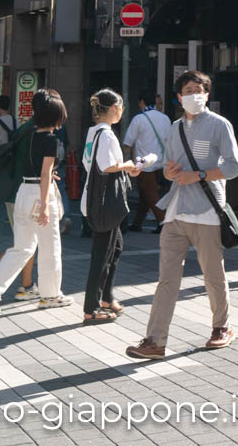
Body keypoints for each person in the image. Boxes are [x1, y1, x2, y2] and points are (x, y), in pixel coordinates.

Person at [125, 71, 238, 360]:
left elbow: (234, 166)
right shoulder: (174, 128)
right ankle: (155, 341)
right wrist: (170, 172)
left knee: (213, 275)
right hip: (176, 210)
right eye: (187, 91)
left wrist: (198, 174)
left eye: (198, 90)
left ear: (206, 94)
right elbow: (167, 166)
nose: (193, 95)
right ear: (178, 97)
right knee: (167, 279)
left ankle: (221, 327)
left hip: (207, 210)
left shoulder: (219, 125)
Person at [0, 90, 71, 314]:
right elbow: (45, 174)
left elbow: (34, 168)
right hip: (40, 194)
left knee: (22, 247)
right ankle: (51, 295)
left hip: (23, 192)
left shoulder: (27, 135)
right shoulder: (52, 140)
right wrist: (45, 205)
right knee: (50, 247)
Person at [79, 90, 145, 324]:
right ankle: (91, 307)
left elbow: (92, 163)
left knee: (115, 247)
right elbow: (108, 166)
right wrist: (128, 165)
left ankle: (106, 298)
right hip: (106, 202)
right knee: (102, 253)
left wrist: (124, 166)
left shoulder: (93, 132)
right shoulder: (106, 134)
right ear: (114, 108)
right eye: (122, 107)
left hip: (98, 199)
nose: (123, 111)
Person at [123, 94, 171, 233]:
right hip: (161, 162)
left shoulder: (139, 119)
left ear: (142, 102)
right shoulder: (165, 118)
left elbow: (127, 143)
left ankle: (163, 222)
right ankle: (137, 223)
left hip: (144, 164)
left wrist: (122, 161)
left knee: (150, 193)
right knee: (145, 194)